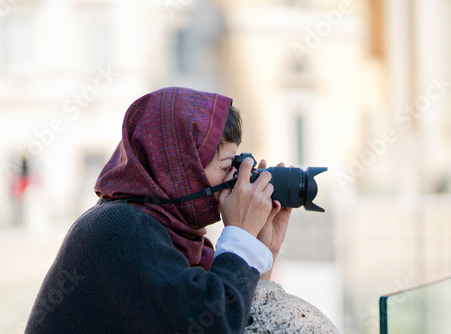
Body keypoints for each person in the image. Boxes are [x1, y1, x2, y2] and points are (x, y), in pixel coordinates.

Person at [25, 87, 292, 333]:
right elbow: (211, 324)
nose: (234, 179)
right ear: (179, 170)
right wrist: (240, 239)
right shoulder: (120, 228)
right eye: (226, 166)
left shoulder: (178, 240)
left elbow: (241, 319)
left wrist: (262, 251)